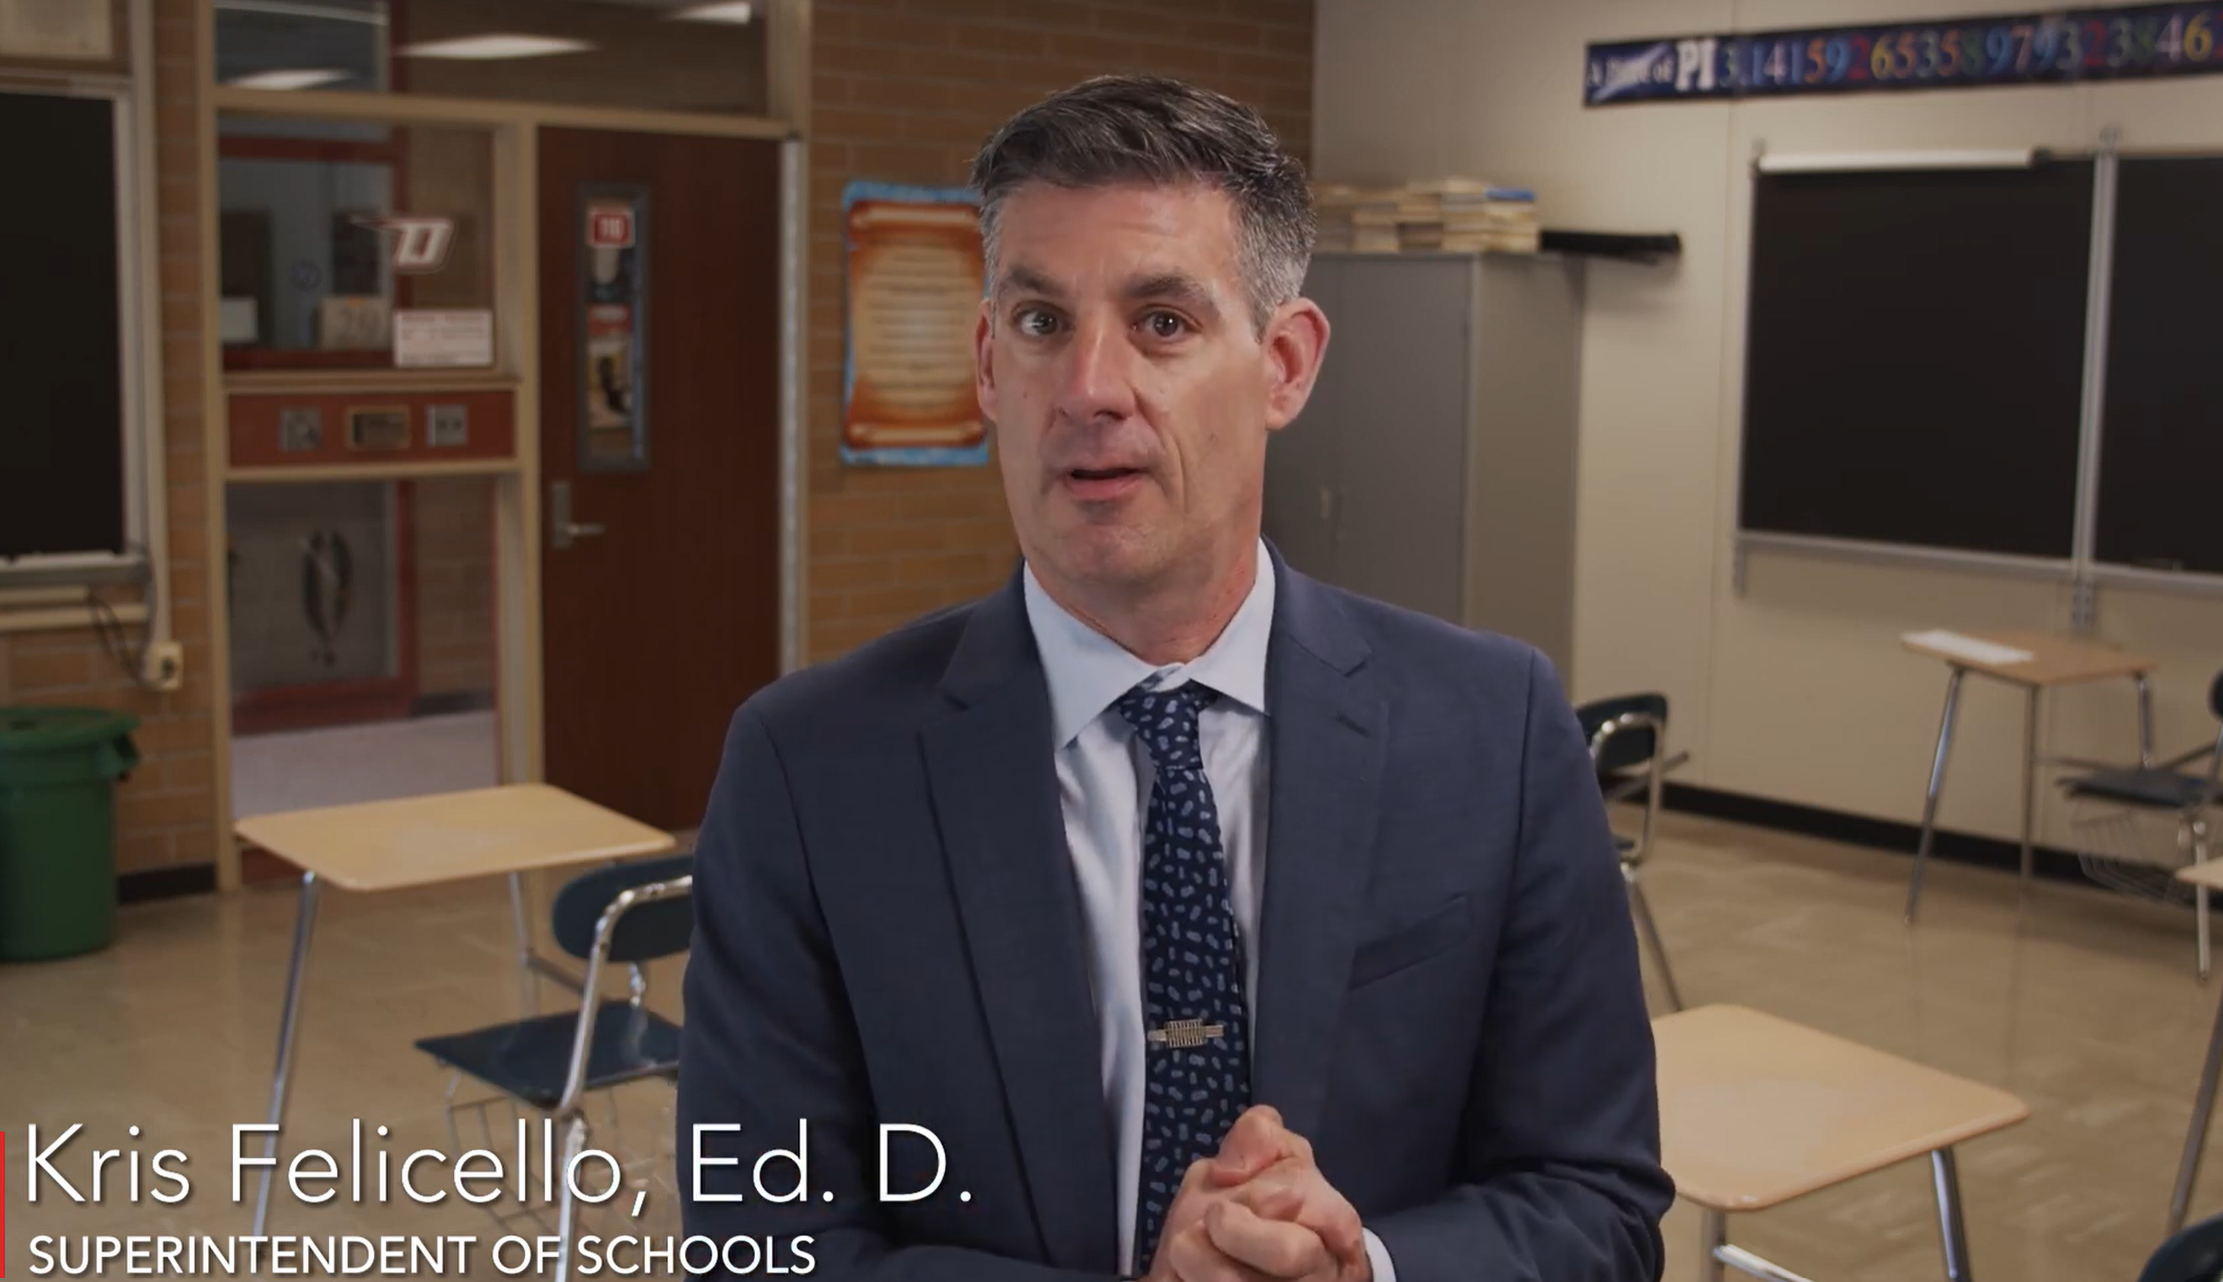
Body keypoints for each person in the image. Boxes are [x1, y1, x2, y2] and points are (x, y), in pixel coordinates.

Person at [679, 75, 1671, 1282]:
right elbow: (760, 1244)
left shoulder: (1493, 731)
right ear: (987, 364)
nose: (1089, 388)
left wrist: (1364, 1271)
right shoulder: (810, 770)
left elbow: (1595, 1200)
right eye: (1041, 323)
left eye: (1160, 322)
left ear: (1285, 365)